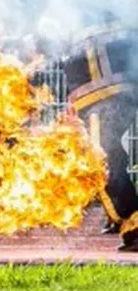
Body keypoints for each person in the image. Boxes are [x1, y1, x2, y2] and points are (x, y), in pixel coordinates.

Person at [57, 21, 138, 252]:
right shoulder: (109, 4)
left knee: (102, 161)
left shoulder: (70, 7)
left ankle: (134, 222)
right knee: (112, 155)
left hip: (100, 98)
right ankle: (120, 216)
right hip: (123, 91)